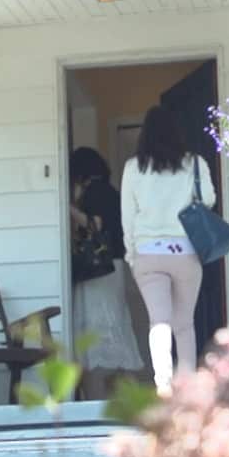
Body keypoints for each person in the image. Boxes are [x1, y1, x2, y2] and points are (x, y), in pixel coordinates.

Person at [120, 105, 215, 395]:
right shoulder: (194, 163)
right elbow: (208, 199)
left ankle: (163, 385)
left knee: (158, 320)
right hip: (184, 251)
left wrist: (131, 254)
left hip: (148, 253)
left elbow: (128, 215)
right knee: (184, 324)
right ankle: (187, 387)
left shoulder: (133, 168)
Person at [69, 146, 142, 399]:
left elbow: (93, 224)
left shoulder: (96, 192)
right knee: (117, 329)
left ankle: (96, 402)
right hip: (114, 267)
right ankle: (130, 398)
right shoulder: (112, 193)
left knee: (98, 334)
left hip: (100, 272)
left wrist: (67, 207)